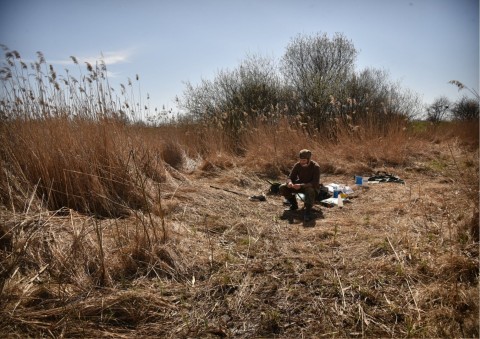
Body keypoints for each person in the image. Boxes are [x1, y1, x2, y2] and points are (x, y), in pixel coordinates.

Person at [279, 149, 320, 221]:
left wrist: (301, 185)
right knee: (282, 187)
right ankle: (294, 205)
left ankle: (307, 212)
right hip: (299, 186)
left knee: (309, 190)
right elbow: (290, 177)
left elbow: (315, 183)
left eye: (304, 160)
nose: (301, 162)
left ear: (309, 160)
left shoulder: (315, 167)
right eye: (300, 160)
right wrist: (289, 183)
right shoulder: (297, 165)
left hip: (312, 188)